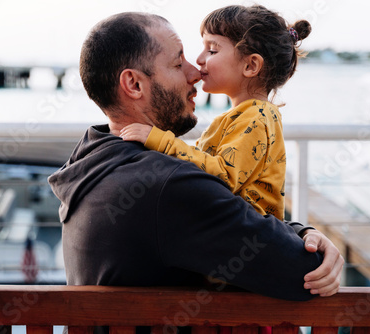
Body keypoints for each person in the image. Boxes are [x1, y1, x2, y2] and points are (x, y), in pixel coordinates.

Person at [48, 12, 343, 305]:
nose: (195, 72)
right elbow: (304, 272)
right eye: (178, 63)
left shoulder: (93, 159)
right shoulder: (166, 186)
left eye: (209, 51)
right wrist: (306, 240)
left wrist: (301, 231)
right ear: (134, 85)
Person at [120, 5, 310, 221]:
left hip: (247, 236)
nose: (199, 59)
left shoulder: (257, 116)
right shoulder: (246, 114)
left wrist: (161, 141)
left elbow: (224, 176)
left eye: (212, 50)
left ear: (250, 65)